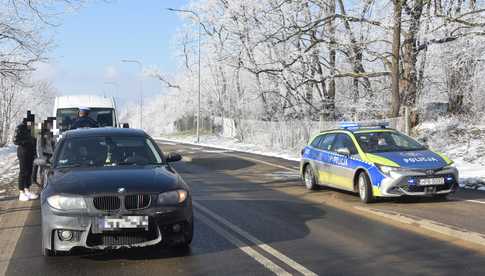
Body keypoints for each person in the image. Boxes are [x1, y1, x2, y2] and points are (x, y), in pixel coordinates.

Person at [13, 116, 38, 201]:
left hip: (31, 152)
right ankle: (21, 192)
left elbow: (36, 140)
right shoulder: (20, 127)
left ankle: (27, 189)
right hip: (23, 151)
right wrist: (26, 141)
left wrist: (35, 151)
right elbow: (15, 140)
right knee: (23, 171)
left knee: (29, 171)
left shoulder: (33, 128)